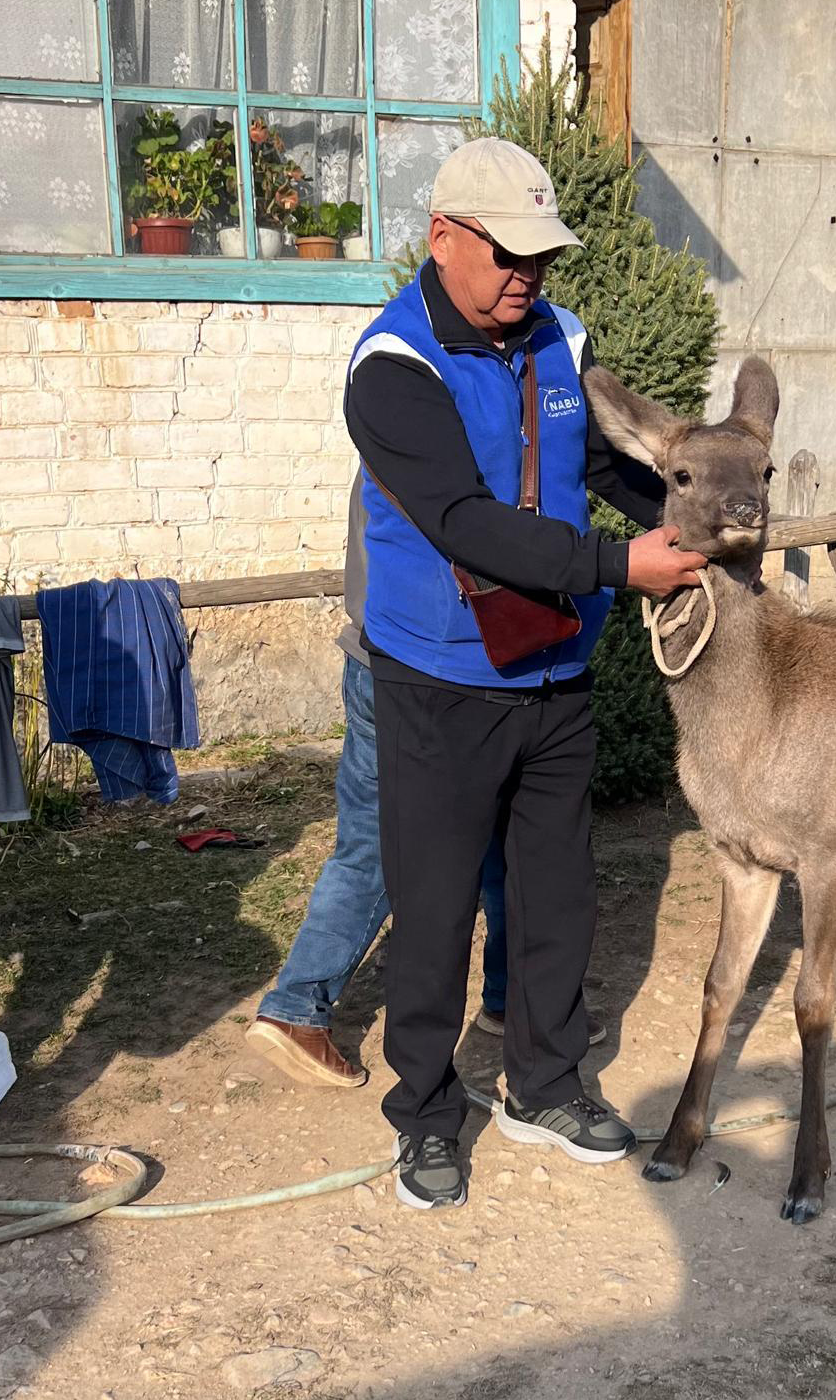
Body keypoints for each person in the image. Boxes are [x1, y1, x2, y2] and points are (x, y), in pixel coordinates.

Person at [346, 138, 706, 1209]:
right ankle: (424, 1110)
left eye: (541, 257)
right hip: (440, 677)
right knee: (438, 901)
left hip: (553, 667)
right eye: (507, 254)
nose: (527, 277)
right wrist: (618, 565)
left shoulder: (559, 335)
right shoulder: (393, 369)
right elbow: (461, 520)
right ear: (443, 236)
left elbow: (600, 466)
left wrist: (689, 524)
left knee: (556, 893)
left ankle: (541, 1083)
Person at [246, 491, 603, 1086]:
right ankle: (297, 1007)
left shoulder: (389, 432)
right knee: (387, 846)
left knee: (490, 837)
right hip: (426, 676)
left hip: (377, 657)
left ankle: (509, 995)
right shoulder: (445, 445)